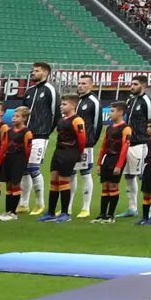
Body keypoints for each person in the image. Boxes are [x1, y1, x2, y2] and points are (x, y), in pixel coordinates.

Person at [40, 94, 88, 224]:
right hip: (58, 152)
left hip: (69, 152)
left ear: (73, 105)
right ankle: (50, 212)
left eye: (64, 104)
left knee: (63, 181)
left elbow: (82, 139)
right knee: (53, 180)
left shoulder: (77, 120)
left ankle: (65, 212)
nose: (61, 106)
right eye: (61, 104)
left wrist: (78, 153)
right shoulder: (61, 120)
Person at [20, 63, 57, 215]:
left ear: (46, 72)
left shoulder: (50, 90)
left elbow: (55, 113)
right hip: (25, 135)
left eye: (37, 71)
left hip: (40, 135)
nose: (33, 73)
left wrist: (47, 131)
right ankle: (23, 203)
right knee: (24, 169)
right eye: (33, 70)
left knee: (34, 168)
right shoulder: (29, 91)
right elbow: (23, 113)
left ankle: (40, 202)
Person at [94, 106, 134, 223]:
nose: (109, 113)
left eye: (112, 111)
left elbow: (125, 148)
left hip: (116, 159)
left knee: (113, 186)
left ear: (120, 112)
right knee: (105, 186)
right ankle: (102, 214)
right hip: (107, 158)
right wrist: (99, 163)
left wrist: (119, 165)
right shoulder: (109, 128)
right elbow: (103, 146)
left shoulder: (126, 129)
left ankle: (111, 215)